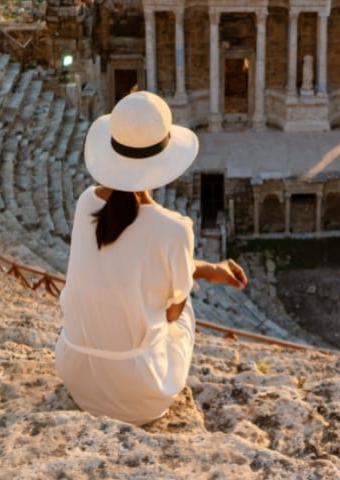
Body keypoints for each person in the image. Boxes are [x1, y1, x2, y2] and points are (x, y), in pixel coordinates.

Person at [55, 91, 247, 425]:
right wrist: (190, 277)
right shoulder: (174, 229)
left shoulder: (86, 202)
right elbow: (172, 314)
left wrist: (208, 270)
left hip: (77, 375)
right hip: (137, 394)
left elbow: (126, 264)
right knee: (183, 305)